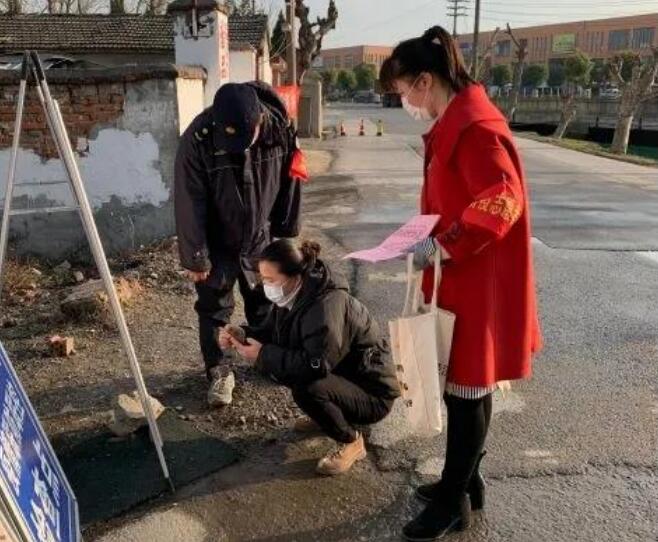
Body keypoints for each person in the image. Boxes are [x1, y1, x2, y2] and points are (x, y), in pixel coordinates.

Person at [380, 26, 543, 540]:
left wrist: (443, 245)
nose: (405, 101)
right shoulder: (459, 120)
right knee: (464, 388)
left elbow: (501, 201)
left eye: (403, 91)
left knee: (468, 390)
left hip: (477, 279)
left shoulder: (474, 128)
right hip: (464, 273)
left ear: (425, 81)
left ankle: (453, 502)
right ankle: (467, 482)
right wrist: (425, 236)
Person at [175, 82, 307, 407]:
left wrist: (286, 230)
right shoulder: (198, 139)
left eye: (244, 138)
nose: (236, 147)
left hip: (260, 235)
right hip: (216, 239)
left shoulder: (279, 130)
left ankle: (265, 357)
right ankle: (219, 371)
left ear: (259, 120)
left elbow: (292, 179)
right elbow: (189, 200)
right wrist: (196, 256)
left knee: (266, 300)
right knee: (214, 307)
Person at [219, 240, 400, 476]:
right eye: (263, 279)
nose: (265, 286)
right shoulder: (295, 294)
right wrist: (242, 334)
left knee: (306, 387)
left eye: (270, 280)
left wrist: (263, 355)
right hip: (343, 377)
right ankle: (326, 415)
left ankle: (352, 441)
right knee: (292, 371)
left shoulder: (326, 306)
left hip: (372, 395)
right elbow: (272, 332)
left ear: (295, 276)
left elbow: (317, 364)